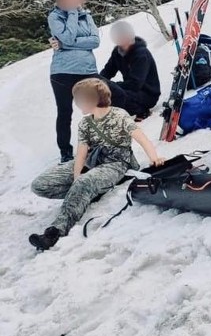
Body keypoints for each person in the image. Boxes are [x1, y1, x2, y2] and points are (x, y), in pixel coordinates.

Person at [29, 78, 162, 251]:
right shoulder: (85, 123)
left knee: (84, 183)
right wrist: (77, 175)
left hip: (116, 164)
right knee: (39, 185)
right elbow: (82, 152)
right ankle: (85, 193)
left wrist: (154, 158)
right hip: (92, 161)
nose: (76, 104)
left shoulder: (119, 115)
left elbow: (141, 138)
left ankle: (55, 232)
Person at [48, 0, 100, 163]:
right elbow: (68, 36)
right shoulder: (55, 17)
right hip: (63, 72)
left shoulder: (87, 16)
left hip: (87, 70)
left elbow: (95, 41)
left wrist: (65, 44)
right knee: (65, 112)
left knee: (98, 108)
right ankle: (65, 152)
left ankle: (99, 144)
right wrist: (71, 13)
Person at [99, 21, 161, 118]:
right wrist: (97, 83)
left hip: (147, 94)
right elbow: (107, 71)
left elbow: (135, 84)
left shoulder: (141, 54)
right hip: (131, 92)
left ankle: (141, 111)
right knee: (102, 95)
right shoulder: (117, 52)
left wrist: (112, 86)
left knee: (115, 95)